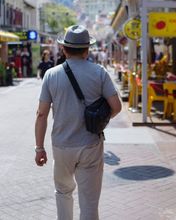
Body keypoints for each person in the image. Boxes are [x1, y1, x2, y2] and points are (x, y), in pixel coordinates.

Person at [34, 25, 122, 220]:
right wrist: (99, 122)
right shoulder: (99, 72)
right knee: (89, 203)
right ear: (87, 49)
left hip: (62, 145)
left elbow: (41, 114)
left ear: (64, 49)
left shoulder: (51, 75)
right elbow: (116, 107)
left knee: (63, 192)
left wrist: (39, 148)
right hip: (91, 144)